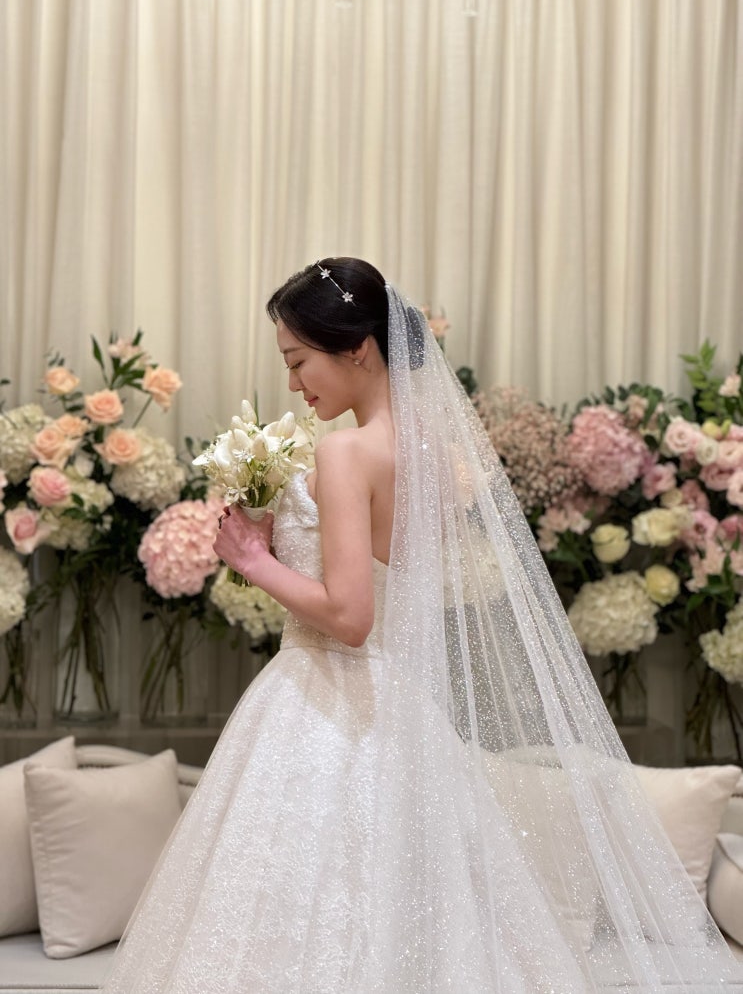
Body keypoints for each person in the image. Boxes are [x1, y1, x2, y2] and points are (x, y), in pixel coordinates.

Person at [103, 257, 743, 992]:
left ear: (357, 348)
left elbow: (349, 617)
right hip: (398, 709)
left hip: (325, 700)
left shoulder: (345, 450)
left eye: (298, 360)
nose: (294, 383)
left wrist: (252, 559)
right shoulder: (431, 454)